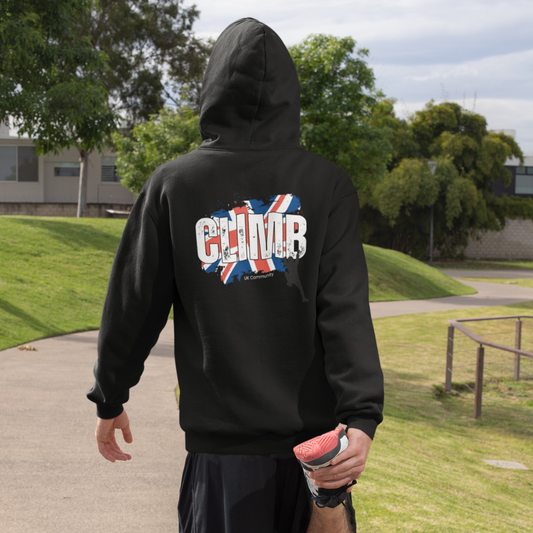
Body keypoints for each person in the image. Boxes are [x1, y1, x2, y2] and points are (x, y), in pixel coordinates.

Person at [88, 17, 384, 533]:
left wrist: (111, 396)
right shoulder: (327, 184)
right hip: (315, 457)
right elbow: (346, 310)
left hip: (224, 461)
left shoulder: (173, 185)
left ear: (212, 88)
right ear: (290, 97)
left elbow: (133, 306)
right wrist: (360, 418)